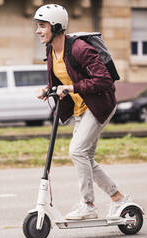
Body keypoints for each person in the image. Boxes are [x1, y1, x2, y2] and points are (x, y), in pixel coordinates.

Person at [34, 4, 130, 220]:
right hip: (81, 106)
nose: (38, 31)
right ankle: (118, 198)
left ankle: (88, 205)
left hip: (98, 105)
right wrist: (48, 90)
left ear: (56, 26)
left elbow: (104, 80)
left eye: (42, 26)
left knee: (77, 151)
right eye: (37, 26)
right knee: (85, 157)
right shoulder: (51, 51)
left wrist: (72, 88)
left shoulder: (80, 49)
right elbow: (64, 80)